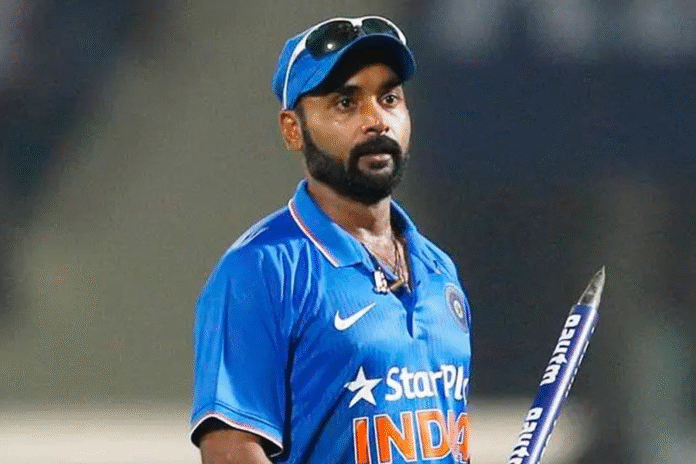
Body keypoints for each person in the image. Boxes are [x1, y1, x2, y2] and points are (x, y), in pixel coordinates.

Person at [190, 15, 473, 464]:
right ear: (293, 129)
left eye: (390, 98)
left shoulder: (440, 270)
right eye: (346, 102)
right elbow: (229, 450)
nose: (376, 121)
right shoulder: (260, 269)